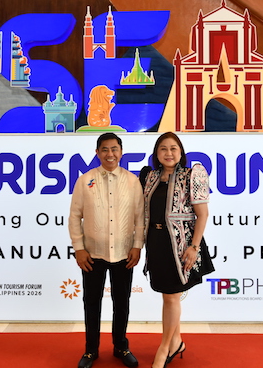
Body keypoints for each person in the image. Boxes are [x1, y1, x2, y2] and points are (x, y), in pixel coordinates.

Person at [69, 132, 145, 368]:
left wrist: (137, 245)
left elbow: (140, 218)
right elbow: (74, 216)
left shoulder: (133, 181)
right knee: (91, 303)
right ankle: (90, 351)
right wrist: (79, 248)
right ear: (97, 152)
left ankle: (121, 347)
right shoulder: (85, 180)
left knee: (121, 303)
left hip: (124, 253)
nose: (110, 154)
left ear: (121, 152)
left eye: (114, 149)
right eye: (105, 149)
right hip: (92, 254)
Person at [140, 132, 215, 368]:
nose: (168, 153)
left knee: (172, 297)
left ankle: (164, 348)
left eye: (173, 148)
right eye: (163, 148)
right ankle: (177, 341)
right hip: (156, 241)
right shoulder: (149, 177)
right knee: (168, 295)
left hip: (181, 244)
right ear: (156, 153)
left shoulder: (192, 175)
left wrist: (194, 247)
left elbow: (202, 214)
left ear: (180, 152)